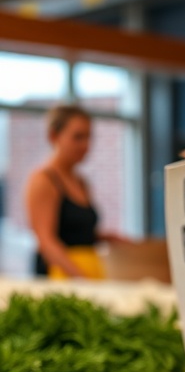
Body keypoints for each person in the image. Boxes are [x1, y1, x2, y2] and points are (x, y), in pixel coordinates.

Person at [26, 104, 122, 279]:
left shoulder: (81, 182)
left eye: (88, 137)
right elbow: (46, 242)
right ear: (54, 136)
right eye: (78, 137)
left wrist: (106, 237)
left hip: (88, 269)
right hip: (61, 275)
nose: (85, 145)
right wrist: (80, 278)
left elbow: (76, 233)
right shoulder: (44, 180)